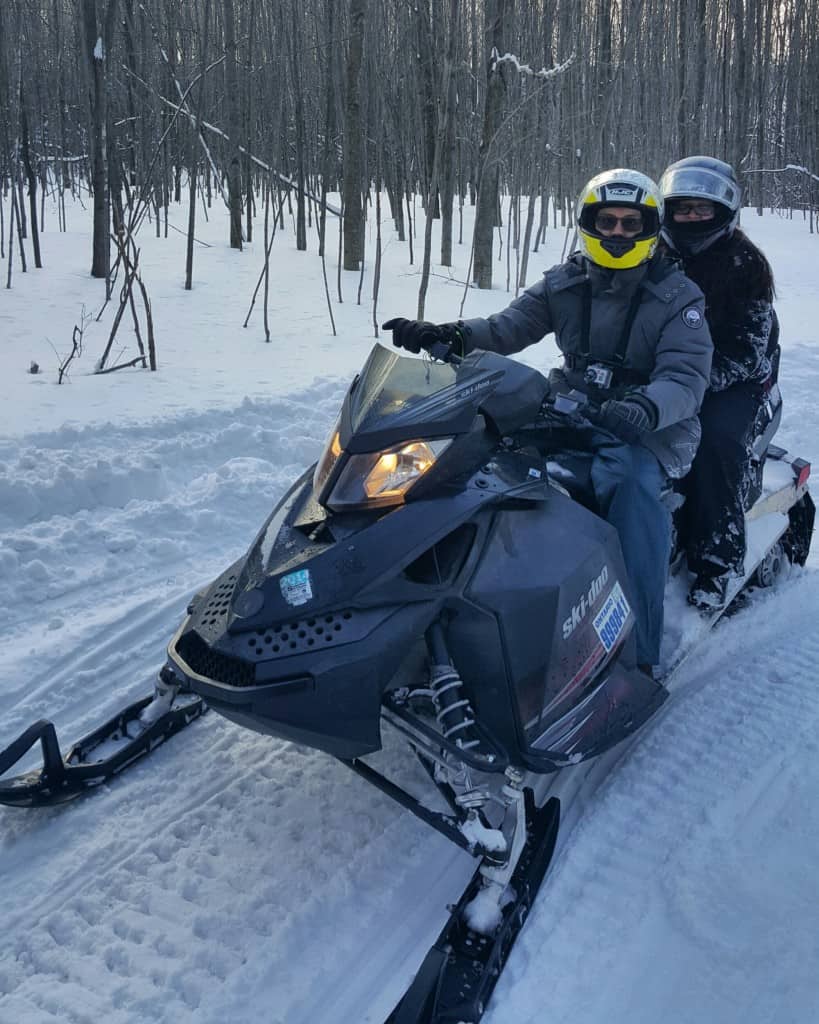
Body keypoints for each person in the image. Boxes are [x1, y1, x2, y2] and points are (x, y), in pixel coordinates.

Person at [384, 168, 713, 674]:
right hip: (572, 407)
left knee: (627, 485)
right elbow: (508, 327)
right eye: (608, 221)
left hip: (649, 427)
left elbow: (686, 378)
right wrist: (450, 335)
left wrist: (645, 407)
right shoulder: (565, 282)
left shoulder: (678, 296)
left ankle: (640, 647)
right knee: (487, 462)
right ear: (590, 224)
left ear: (649, 229)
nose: (618, 233)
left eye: (630, 223)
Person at [659, 156, 778, 611]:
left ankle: (719, 562)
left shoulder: (745, 264)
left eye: (700, 210)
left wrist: (693, 382)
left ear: (723, 211)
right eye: (682, 208)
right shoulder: (656, 254)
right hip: (666, 372)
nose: (690, 217)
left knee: (713, 444)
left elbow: (749, 349)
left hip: (733, 379)